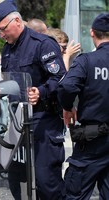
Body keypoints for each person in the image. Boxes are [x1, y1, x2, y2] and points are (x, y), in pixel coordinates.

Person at [0, 1, 66, 199]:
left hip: (43, 120)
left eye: (2, 29)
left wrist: (41, 91)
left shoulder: (43, 44)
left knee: (46, 180)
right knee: (18, 179)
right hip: (18, 121)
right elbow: (13, 82)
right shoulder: (7, 49)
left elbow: (60, 78)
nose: (1, 35)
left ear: (17, 21)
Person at [57, 13, 109, 200]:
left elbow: (67, 86)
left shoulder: (87, 60)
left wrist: (68, 106)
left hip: (92, 141)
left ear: (92, 33)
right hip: (95, 138)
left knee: (75, 194)